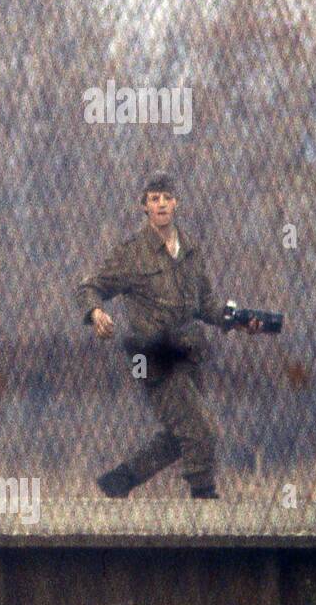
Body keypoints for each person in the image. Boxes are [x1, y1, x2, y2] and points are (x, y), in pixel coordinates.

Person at [76, 172, 262, 499]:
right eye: (154, 198)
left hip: (188, 352)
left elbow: (205, 304)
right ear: (144, 206)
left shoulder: (190, 249)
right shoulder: (132, 253)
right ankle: (204, 496)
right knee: (202, 429)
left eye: (166, 197)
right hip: (151, 356)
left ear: (176, 203)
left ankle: (119, 481)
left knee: (181, 434)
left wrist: (238, 320)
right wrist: (96, 313)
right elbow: (90, 286)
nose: (161, 204)